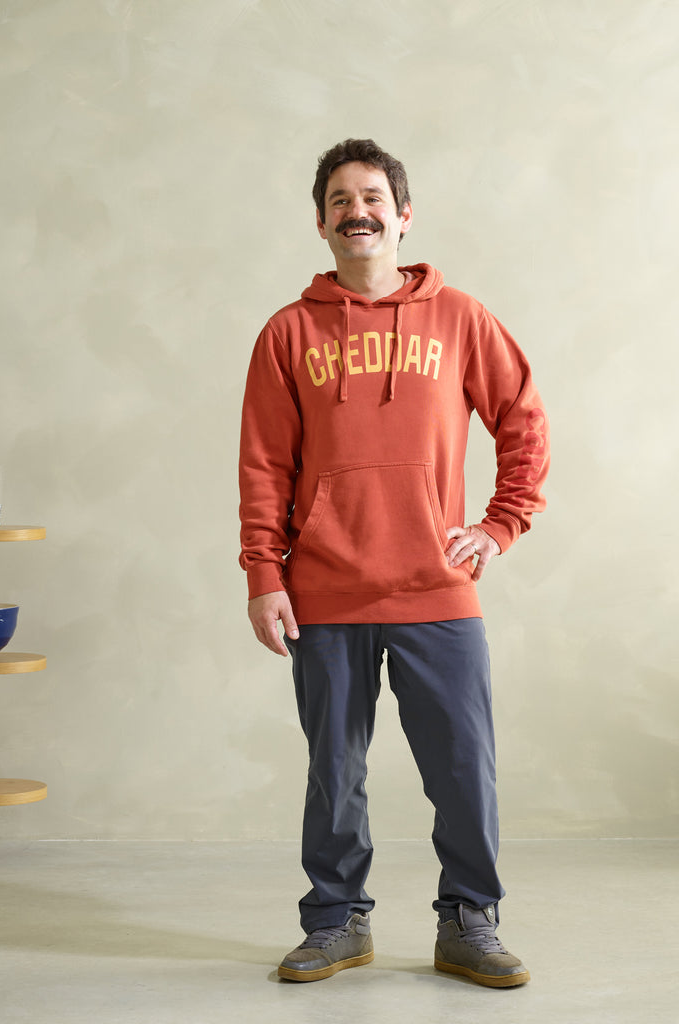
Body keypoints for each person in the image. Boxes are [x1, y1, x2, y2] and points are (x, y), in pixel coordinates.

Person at [238, 138, 549, 988]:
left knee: (461, 764)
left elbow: (522, 417)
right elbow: (263, 463)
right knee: (333, 770)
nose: (358, 212)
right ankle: (336, 921)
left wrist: (500, 524)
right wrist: (264, 574)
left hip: (437, 586)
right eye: (340, 200)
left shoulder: (460, 319)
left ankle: (469, 921)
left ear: (403, 216)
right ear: (321, 222)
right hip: (326, 588)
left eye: (372, 197)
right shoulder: (289, 333)